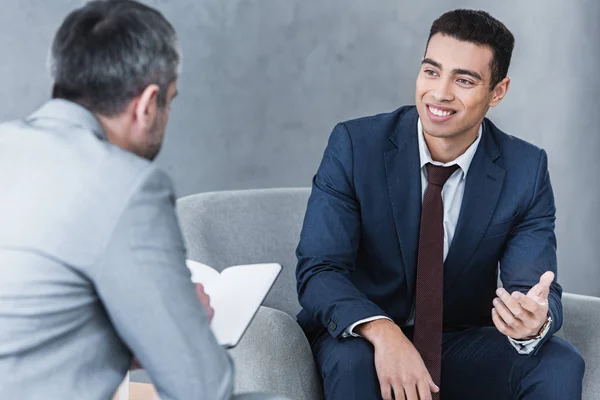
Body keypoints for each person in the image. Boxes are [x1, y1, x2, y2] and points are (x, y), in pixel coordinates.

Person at [0, 1, 287, 399]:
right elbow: (202, 388)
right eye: (170, 101)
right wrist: (186, 325)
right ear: (148, 104)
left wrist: (136, 333)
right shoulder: (128, 184)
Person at [295, 9, 585, 400]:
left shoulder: (525, 169)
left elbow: (530, 288)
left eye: (464, 80)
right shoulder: (354, 146)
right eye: (431, 72)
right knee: (354, 363)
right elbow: (319, 270)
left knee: (559, 362)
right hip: (362, 338)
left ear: (497, 92)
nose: (440, 93)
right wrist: (383, 331)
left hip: (457, 343)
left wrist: (532, 320)